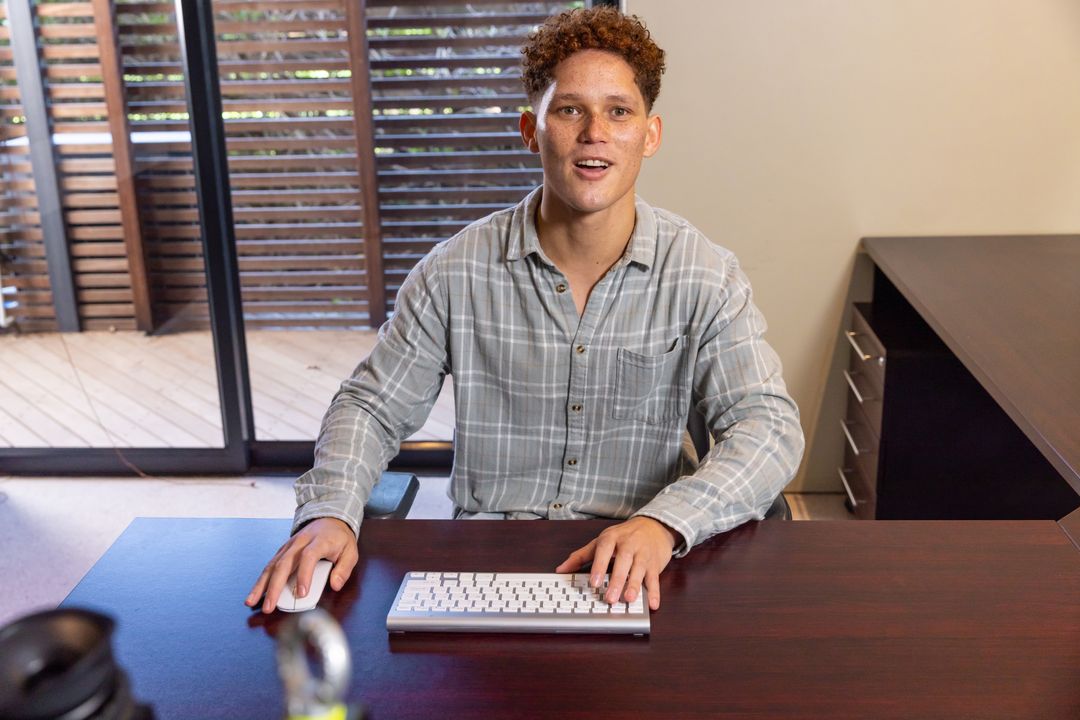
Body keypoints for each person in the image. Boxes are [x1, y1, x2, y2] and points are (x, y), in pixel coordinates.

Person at [247, 6, 804, 615]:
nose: (595, 132)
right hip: (487, 556)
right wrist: (331, 511)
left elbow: (767, 428)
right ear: (531, 130)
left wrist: (666, 523)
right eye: (569, 110)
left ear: (650, 134)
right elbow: (370, 407)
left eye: (619, 111)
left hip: (640, 565)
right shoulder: (454, 270)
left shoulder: (704, 274)